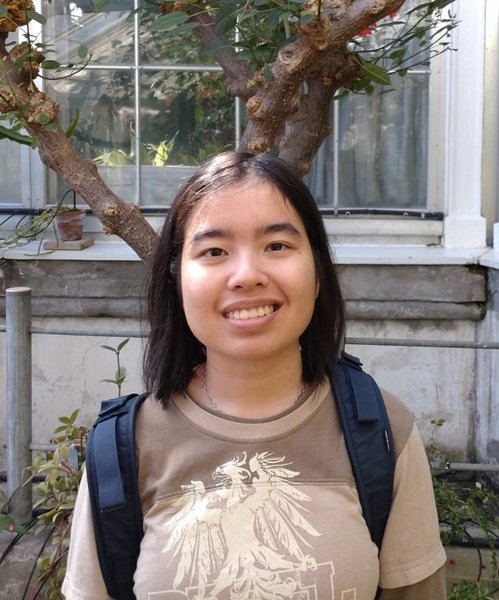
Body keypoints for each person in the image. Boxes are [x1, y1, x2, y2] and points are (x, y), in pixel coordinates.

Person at [62, 151, 447, 599]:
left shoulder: (383, 432)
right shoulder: (121, 449)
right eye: (214, 251)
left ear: (318, 273)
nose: (246, 276)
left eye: (277, 246)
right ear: (177, 281)